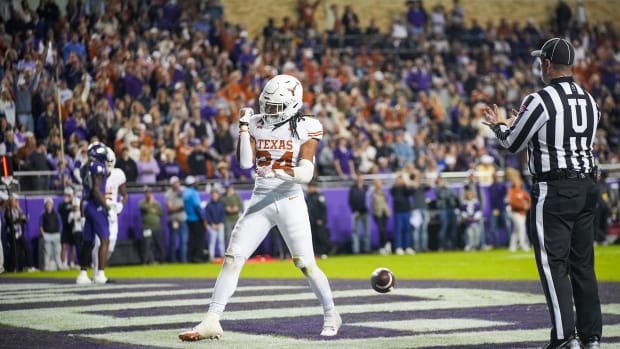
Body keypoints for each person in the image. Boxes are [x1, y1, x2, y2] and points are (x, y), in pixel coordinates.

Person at [179, 75, 341, 341]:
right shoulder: (256, 123)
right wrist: (243, 128)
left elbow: (306, 172)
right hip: (261, 198)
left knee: (306, 264)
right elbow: (245, 162)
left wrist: (279, 170)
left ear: (292, 104)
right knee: (233, 256)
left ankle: (331, 313)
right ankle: (212, 319)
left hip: (289, 199)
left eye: (275, 106)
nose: (269, 111)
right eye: (266, 104)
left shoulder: (306, 125)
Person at [483, 38, 601, 348]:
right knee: (584, 265)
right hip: (587, 186)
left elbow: (513, 142)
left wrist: (500, 125)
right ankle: (592, 336)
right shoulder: (589, 99)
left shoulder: (539, 100)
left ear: (546, 64)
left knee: (553, 264)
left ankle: (565, 338)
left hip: (556, 188)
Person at [77, 142, 110, 284]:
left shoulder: (85, 167)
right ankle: (100, 274)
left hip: (87, 205)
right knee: (105, 240)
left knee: (88, 241)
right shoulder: (98, 166)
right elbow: (96, 190)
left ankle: (83, 274)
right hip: (96, 206)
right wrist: (108, 207)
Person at [93, 147, 127, 276]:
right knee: (99, 243)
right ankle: (98, 272)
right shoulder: (96, 173)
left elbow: (124, 195)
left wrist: (121, 205)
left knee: (110, 245)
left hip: (112, 213)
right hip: (99, 210)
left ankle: (99, 268)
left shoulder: (118, 174)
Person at [306, 180, 335, 257]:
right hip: (311, 221)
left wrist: (321, 219)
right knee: (314, 237)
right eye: (309, 187)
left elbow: (323, 208)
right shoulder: (307, 197)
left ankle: (331, 248)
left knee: (322, 237)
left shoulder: (319, 196)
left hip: (319, 221)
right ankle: (319, 253)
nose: (310, 188)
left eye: (312, 187)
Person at [183, 175, 207, 263]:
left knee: (192, 238)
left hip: (188, 218)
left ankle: (191, 257)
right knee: (200, 238)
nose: (197, 184)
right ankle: (198, 257)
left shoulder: (185, 193)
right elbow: (197, 207)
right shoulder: (193, 192)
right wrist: (203, 219)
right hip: (196, 218)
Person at [139, 188, 165, 264]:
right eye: (146, 193)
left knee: (159, 244)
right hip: (147, 228)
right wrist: (151, 205)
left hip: (157, 227)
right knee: (147, 245)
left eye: (149, 193)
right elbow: (144, 208)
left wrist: (152, 207)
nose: (148, 195)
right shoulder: (142, 203)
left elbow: (161, 212)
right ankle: (145, 261)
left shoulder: (156, 203)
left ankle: (162, 260)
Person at [165, 176, 188, 263]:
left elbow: (187, 202)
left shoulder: (183, 190)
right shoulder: (168, 194)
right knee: (173, 242)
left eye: (177, 182)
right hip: (173, 220)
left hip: (182, 219)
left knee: (184, 241)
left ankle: (184, 261)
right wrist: (180, 208)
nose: (177, 184)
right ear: (171, 184)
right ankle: (173, 261)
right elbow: (170, 208)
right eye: (175, 183)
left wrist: (180, 207)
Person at [390, 174, 414, 255]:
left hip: (406, 211)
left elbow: (411, 191)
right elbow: (392, 192)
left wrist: (406, 184)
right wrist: (397, 184)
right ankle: (399, 247)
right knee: (399, 230)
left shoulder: (405, 188)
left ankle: (407, 247)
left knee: (407, 229)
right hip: (398, 211)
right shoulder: (395, 188)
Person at [434, 175, 460, 250]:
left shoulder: (448, 188)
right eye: (439, 181)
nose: (441, 182)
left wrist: (448, 193)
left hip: (451, 208)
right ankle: (441, 246)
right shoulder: (437, 188)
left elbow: (455, 196)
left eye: (441, 180)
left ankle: (453, 246)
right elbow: (442, 195)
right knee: (444, 228)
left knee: (453, 228)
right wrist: (448, 193)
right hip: (443, 209)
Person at [39, 197, 64, 271]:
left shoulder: (56, 214)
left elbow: (60, 224)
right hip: (47, 235)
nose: (49, 205)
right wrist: (43, 234)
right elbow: (40, 225)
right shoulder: (43, 214)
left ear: (52, 205)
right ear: (45, 205)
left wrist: (59, 232)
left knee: (57, 252)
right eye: (47, 204)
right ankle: (46, 267)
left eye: (50, 204)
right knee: (47, 253)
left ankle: (59, 266)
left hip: (56, 235)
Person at [507, 178, 531, 252]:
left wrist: (527, 206)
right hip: (515, 212)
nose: (518, 183)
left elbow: (529, 199)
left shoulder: (522, 191)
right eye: (516, 182)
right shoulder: (511, 191)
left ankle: (512, 246)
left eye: (519, 182)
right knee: (522, 228)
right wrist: (522, 206)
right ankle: (522, 244)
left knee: (517, 229)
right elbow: (512, 203)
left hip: (522, 213)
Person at [488, 172, 511, 247]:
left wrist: (504, 206)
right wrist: (494, 209)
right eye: (493, 176)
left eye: (495, 176)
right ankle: (496, 244)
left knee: (506, 226)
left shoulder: (502, 186)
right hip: (494, 210)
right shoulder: (490, 187)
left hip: (503, 208)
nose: (495, 177)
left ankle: (508, 242)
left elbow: (506, 197)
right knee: (494, 227)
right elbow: (492, 199)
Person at [348, 175, 370, 254]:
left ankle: (367, 249)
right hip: (356, 212)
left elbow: (369, 200)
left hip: (365, 212)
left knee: (367, 232)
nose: (360, 179)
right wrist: (354, 210)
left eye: (361, 178)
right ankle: (356, 250)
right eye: (359, 178)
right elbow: (350, 201)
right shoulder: (353, 188)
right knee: (355, 232)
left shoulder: (366, 188)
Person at [58, 187, 77, 269]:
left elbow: (77, 208)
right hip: (65, 228)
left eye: (70, 195)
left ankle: (72, 262)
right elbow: (60, 210)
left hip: (73, 227)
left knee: (72, 247)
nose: (68, 196)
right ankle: (63, 263)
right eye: (67, 195)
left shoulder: (74, 202)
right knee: (64, 246)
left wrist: (72, 201)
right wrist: (66, 203)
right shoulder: (62, 205)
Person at [371, 179, 391, 255]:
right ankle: (382, 246)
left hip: (384, 213)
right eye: (377, 183)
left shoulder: (383, 192)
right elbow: (371, 203)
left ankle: (385, 246)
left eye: (380, 183)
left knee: (384, 230)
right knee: (381, 230)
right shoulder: (372, 193)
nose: (379, 185)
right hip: (377, 213)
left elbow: (385, 202)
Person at [205, 189, 226, 262]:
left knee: (221, 241)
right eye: (213, 195)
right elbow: (207, 216)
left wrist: (220, 223)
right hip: (212, 226)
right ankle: (211, 257)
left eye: (215, 195)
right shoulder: (208, 205)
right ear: (211, 196)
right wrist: (212, 224)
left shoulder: (221, 204)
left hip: (220, 225)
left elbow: (223, 215)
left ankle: (222, 256)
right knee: (212, 241)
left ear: (218, 195)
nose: (214, 196)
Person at [220, 184, 242, 250]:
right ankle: (229, 252)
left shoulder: (236, 196)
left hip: (236, 218)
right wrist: (225, 208)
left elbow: (241, 206)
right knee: (228, 237)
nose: (228, 189)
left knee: (238, 237)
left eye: (228, 187)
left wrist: (237, 208)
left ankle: (238, 251)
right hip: (228, 219)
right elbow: (220, 207)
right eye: (226, 188)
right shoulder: (222, 197)